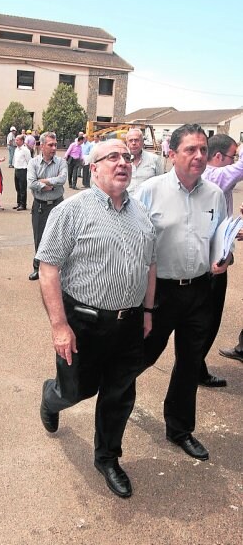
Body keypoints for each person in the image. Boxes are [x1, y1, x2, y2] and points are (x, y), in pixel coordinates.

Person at [37, 139, 156, 498]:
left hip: (130, 323)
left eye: (127, 157)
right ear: (94, 168)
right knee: (77, 389)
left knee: (119, 394)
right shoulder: (71, 212)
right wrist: (59, 326)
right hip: (83, 323)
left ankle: (107, 457)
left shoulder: (142, 213)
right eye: (113, 157)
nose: (123, 162)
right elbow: (48, 269)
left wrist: (148, 311)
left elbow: (150, 265)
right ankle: (51, 396)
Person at [134, 124, 228, 462]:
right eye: (191, 149)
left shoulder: (215, 195)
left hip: (200, 291)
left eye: (203, 149)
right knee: (140, 359)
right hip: (159, 294)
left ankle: (179, 429)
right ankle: (113, 409)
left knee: (190, 363)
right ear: (171, 154)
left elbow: (220, 242)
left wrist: (224, 257)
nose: (199, 156)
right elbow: (133, 243)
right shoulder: (149, 191)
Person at [198, 135, 243, 386]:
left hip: (211, 254)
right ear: (218, 157)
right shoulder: (215, 175)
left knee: (203, 318)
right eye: (231, 156)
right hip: (214, 260)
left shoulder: (210, 178)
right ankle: (194, 367)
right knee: (208, 318)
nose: (234, 161)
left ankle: (195, 364)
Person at [27, 132, 67, 281]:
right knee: (39, 238)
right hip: (40, 207)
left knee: (59, 238)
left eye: (55, 144)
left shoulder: (61, 162)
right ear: (42, 146)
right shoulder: (33, 163)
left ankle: (57, 270)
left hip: (58, 204)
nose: (54, 148)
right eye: (50, 145)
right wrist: (47, 185)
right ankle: (38, 268)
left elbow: (62, 179)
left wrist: (44, 181)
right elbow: (31, 183)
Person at [125, 128, 164, 194]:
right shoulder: (122, 161)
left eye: (136, 140)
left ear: (142, 142)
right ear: (127, 143)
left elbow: (162, 183)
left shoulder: (154, 159)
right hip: (128, 202)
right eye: (130, 140)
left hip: (148, 202)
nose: (133, 143)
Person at [12, 134, 31, 211]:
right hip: (17, 169)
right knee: (17, 187)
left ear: (22, 141)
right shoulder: (16, 149)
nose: (16, 141)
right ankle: (18, 203)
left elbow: (28, 160)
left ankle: (23, 204)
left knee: (22, 187)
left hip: (23, 169)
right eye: (16, 140)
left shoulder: (25, 150)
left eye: (18, 140)